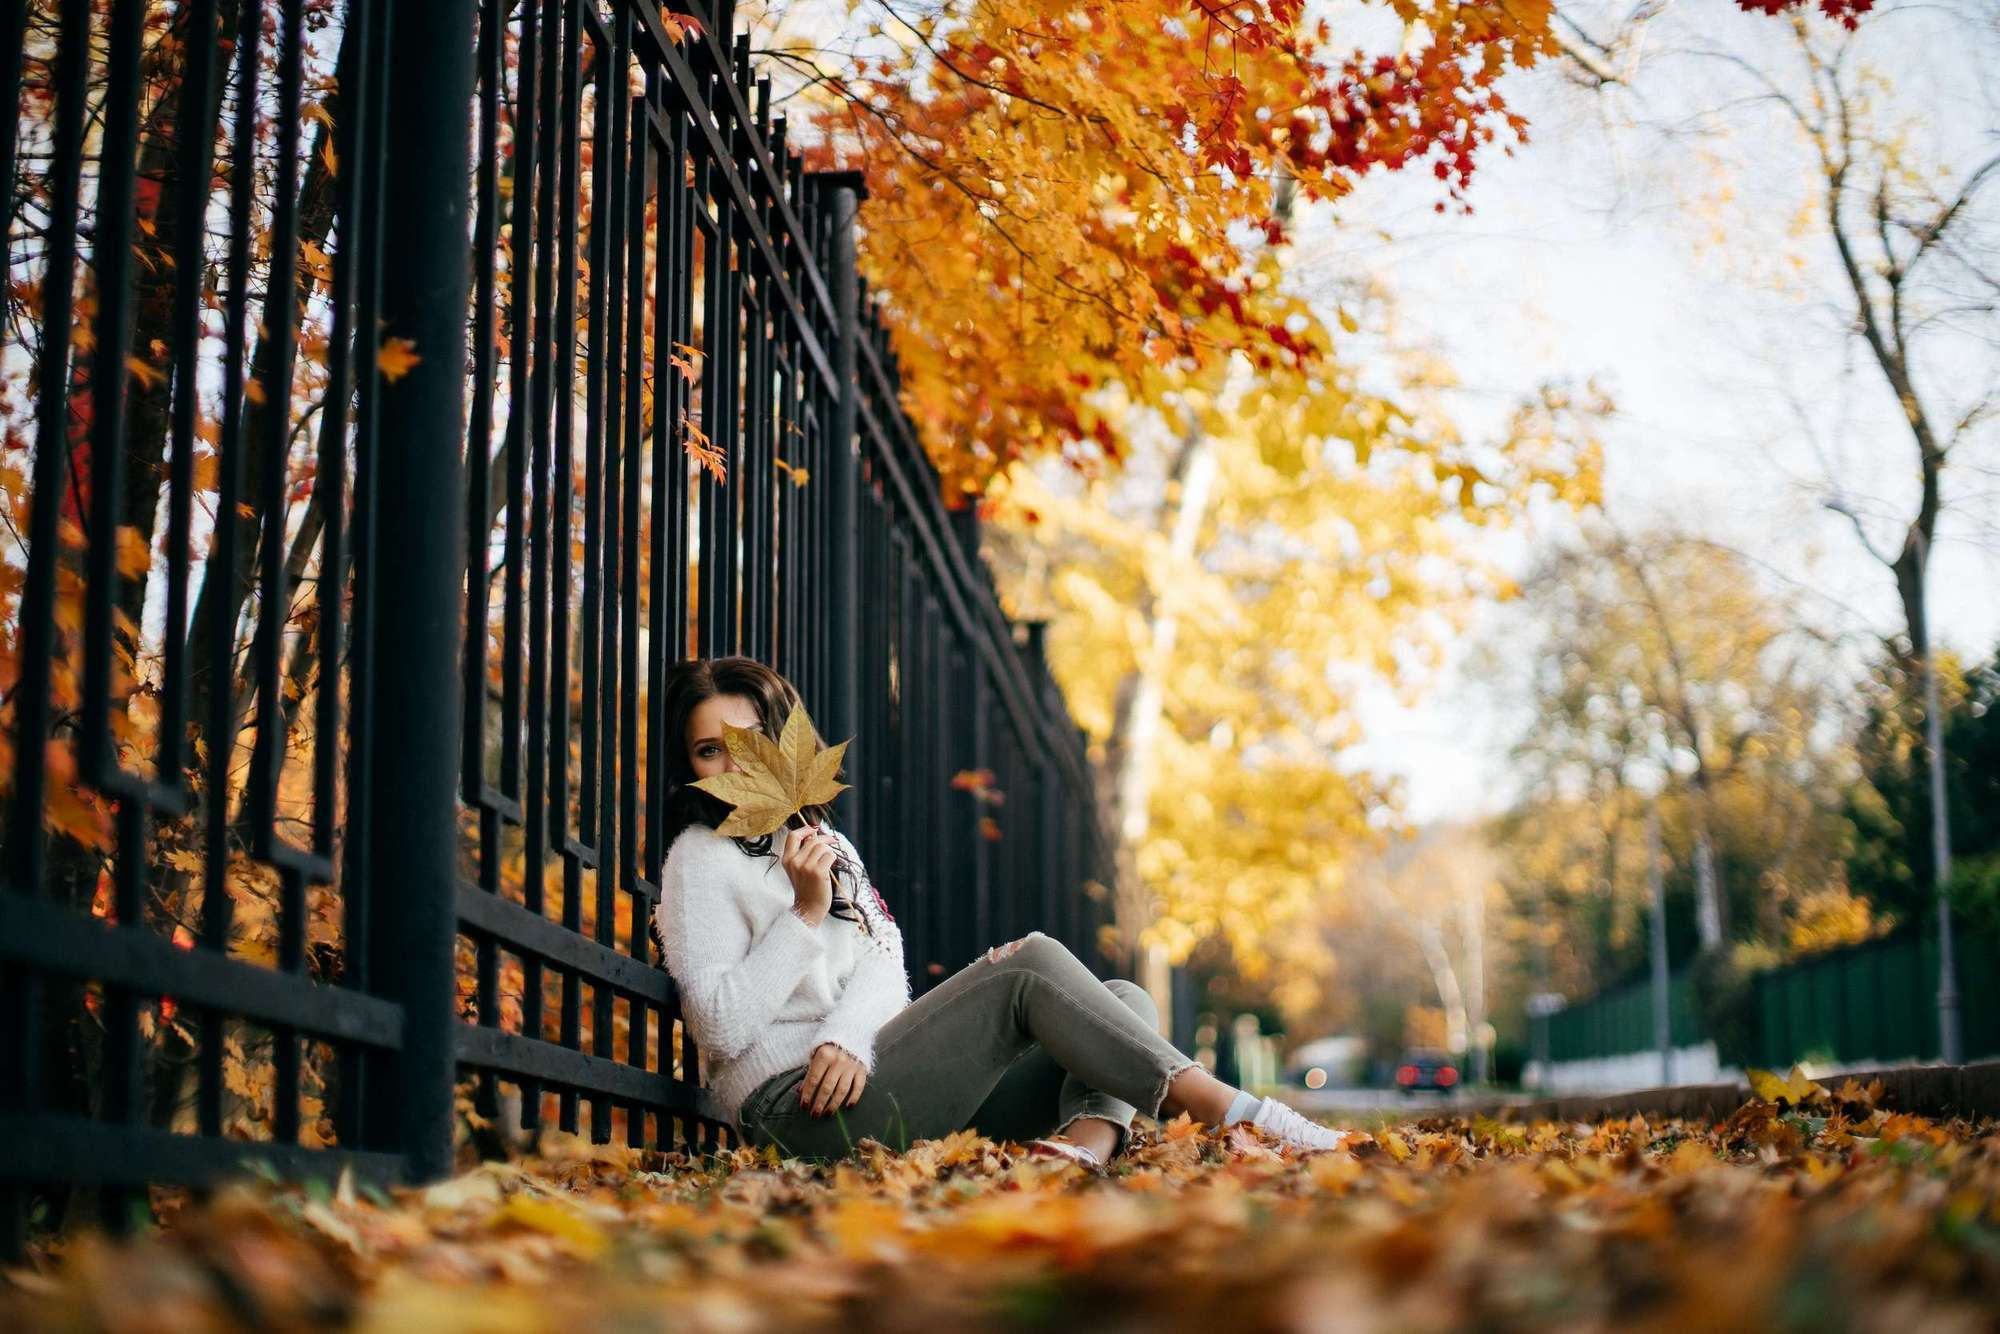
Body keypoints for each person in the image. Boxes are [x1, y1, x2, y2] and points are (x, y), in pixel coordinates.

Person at [652, 655, 1350, 1167]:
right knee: (1029, 966)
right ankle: (1242, 1115)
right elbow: (717, 1025)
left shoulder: (822, 841)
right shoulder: (699, 859)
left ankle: (1081, 1151)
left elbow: (885, 958)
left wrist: (848, 1038)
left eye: (750, 740)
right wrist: (804, 916)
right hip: (797, 1111)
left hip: (870, 1078)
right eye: (710, 750)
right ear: (689, 765)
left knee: (1124, 1000)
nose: (734, 766)